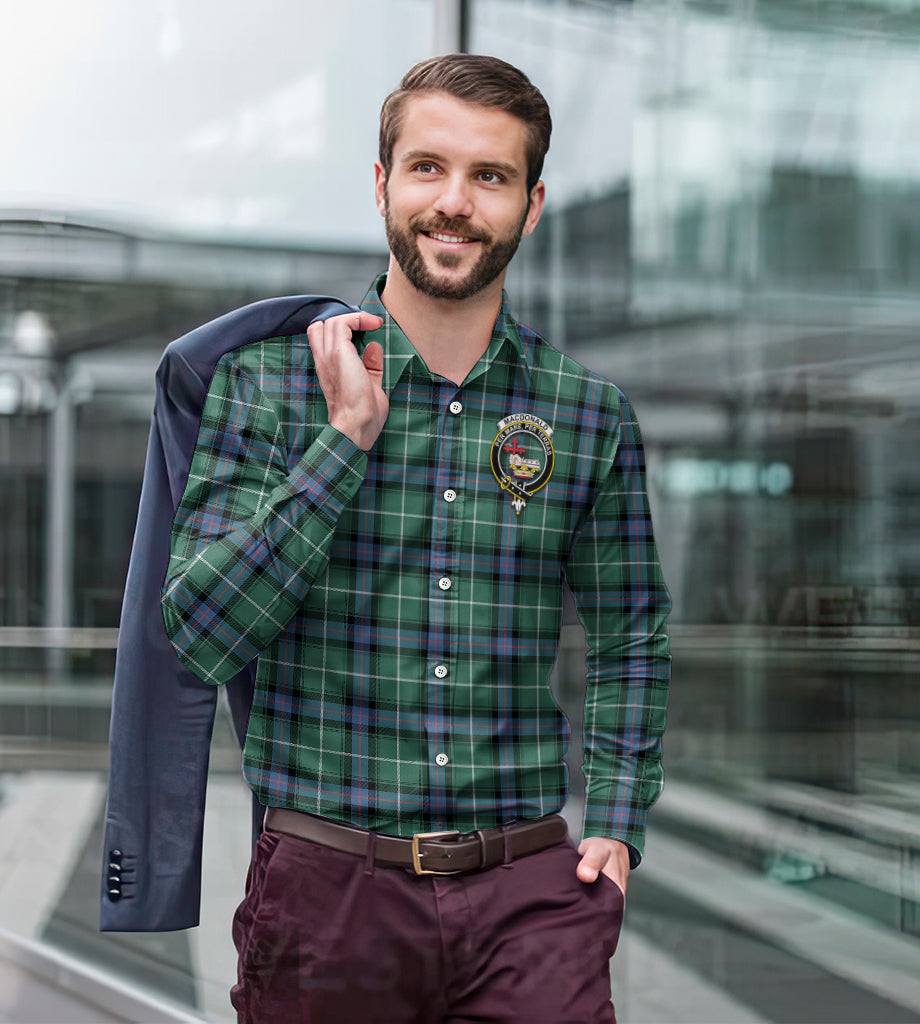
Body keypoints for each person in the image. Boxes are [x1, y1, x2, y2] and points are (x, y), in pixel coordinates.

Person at [161, 53, 671, 1024]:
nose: (455, 202)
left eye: (491, 176)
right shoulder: (267, 387)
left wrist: (614, 818)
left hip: (530, 895)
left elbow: (629, 632)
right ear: (383, 182)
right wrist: (345, 438)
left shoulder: (587, 415)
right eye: (429, 167)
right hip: (328, 894)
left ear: (532, 203)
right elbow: (201, 633)